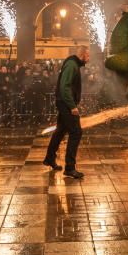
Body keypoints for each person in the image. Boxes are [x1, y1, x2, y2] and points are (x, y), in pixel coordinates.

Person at [44, 45, 90, 179]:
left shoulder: (73, 64)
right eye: (88, 55)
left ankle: (49, 159)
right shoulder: (72, 65)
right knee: (76, 132)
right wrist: (72, 106)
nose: (89, 58)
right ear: (82, 55)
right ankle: (69, 168)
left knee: (60, 131)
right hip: (66, 104)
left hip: (64, 103)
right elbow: (65, 87)